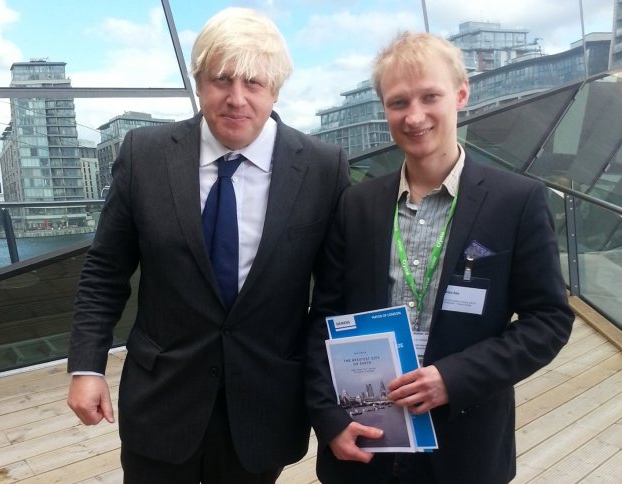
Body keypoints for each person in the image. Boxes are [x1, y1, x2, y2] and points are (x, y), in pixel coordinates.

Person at [66, 7, 349, 483]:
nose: (236, 99)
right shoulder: (145, 155)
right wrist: (86, 366)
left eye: (254, 83)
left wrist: (332, 403)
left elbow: (332, 299)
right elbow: (105, 271)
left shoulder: (323, 168)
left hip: (263, 407)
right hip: (162, 403)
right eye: (221, 79)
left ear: (275, 89)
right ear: (199, 81)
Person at [306, 31, 574, 484]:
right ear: (384, 109)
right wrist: (328, 419)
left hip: (464, 446)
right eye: (398, 102)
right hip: (366, 444)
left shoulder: (516, 202)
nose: (414, 117)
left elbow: (548, 320)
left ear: (461, 94)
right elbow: (324, 319)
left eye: (430, 96)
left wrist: (453, 377)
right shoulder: (357, 206)